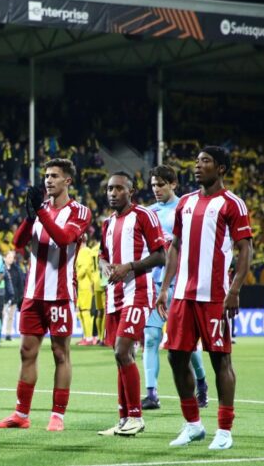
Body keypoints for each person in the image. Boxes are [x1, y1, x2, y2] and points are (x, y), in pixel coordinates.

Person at [157, 146, 252, 450]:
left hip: (215, 296)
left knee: (220, 360)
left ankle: (224, 430)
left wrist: (234, 290)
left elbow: (245, 249)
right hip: (183, 295)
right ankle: (193, 425)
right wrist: (165, 287)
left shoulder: (232, 203)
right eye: (196, 161)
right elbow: (175, 246)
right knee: (175, 356)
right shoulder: (185, 202)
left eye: (205, 161)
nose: (197, 166)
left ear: (221, 168)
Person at [0, 158, 91, 432]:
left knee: (60, 353)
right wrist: (29, 217)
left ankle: (57, 415)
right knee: (26, 351)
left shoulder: (80, 211)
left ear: (67, 180)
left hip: (60, 294)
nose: (48, 180)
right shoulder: (41, 209)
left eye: (54, 176)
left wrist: (40, 214)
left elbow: (64, 239)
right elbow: (18, 243)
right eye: (46, 176)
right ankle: (21, 414)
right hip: (33, 293)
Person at [96, 172, 166, 437]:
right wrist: (106, 266)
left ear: (131, 191)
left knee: (122, 350)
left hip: (138, 291)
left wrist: (130, 266)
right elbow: (102, 255)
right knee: (120, 356)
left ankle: (136, 417)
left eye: (118, 188)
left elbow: (161, 255)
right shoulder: (107, 223)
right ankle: (124, 418)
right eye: (109, 189)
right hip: (114, 295)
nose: (113, 193)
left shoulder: (144, 216)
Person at [142, 165, 210, 411]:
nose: (156, 189)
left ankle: (201, 382)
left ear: (173, 184)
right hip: (155, 285)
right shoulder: (148, 213)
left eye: (161, 184)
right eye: (153, 185)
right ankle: (151, 393)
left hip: (181, 285)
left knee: (185, 343)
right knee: (151, 337)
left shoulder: (186, 208)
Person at [75, 234, 100, 345]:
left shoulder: (85, 252)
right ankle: (86, 336)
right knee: (80, 312)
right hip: (81, 286)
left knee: (85, 312)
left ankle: (89, 338)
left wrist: (74, 276)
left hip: (85, 286)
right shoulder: (81, 252)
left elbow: (85, 268)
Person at [2, 250, 23, 342]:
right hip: (3, 296)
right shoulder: (1, 268)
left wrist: (19, 295)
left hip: (14, 296)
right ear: (4, 258)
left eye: (12, 257)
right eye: (9, 257)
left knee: (11, 316)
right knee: (2, 315)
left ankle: (8, 334)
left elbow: (20, 283)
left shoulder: (16, 269)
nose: (11, 259)